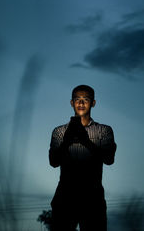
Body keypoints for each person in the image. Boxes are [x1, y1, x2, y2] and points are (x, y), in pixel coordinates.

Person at [49, 85, 117, 231]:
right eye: (77, 99)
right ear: (71, 103)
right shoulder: (59, 132)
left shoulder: (103, 130)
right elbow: (53, 162)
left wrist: (86, 141)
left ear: (93, 103)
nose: (81, 103)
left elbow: (109, 159)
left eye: (85, 99)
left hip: (93, 198)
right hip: (64, 198)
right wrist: (66, 141)